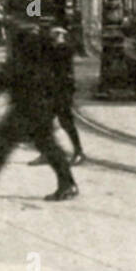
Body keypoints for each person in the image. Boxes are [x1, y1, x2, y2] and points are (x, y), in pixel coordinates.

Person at [0, 19, 78, 201]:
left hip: (31, 107)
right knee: (29, 144)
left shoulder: (26, 45)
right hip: (34, 105)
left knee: (15, 144)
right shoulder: (36, 45)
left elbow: (11, 73)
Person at [29, 21, 86, 167]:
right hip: (49, 89)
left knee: (66, 122)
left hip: (62, 90)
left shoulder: (64, 48)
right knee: (43, 122)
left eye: (59, 33)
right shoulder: (49, 48)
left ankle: (79, 152)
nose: (57, 36)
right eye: (55, 33)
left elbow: (58, 57)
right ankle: (46, 153)